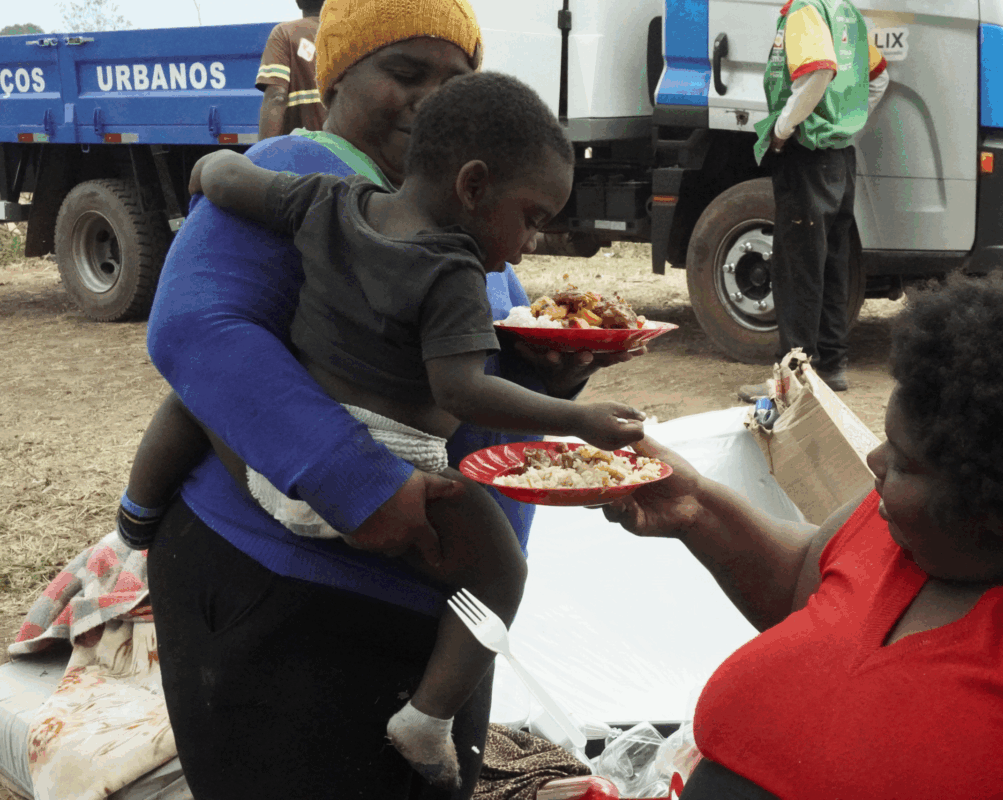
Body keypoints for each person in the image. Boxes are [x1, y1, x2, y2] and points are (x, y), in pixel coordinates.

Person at [140, 1, 636, 797]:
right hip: (288, 598)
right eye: (405, 74)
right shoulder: (298, 171)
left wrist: (556, 369)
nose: (431, 101)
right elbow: (197, 331)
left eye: (456, 81)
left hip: (437, 610)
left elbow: (466, 367)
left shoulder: (459, 216)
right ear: (337, 75)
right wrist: (364, 486)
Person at [608, 274, 1003, 798]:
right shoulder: (921, 527)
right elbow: (809, 591)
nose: (874, 458)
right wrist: (696, 508)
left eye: (907, 462)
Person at [738, 0, 888, 399]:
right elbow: (877, 78)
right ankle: (832, 366)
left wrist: (785, 128)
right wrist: (845, 121)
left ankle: (795, 378)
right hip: (839, 157)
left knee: (797, 269)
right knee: (832, 264)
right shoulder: (845, 12)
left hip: (806, 156)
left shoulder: (805, 11)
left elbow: (818, 70)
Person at [255, 0, 327, 139]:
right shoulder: (348, 35)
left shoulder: (285, 33)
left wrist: (263, 154)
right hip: (347, 152)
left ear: (299, 2)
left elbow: (276, 97)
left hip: (303, 149)